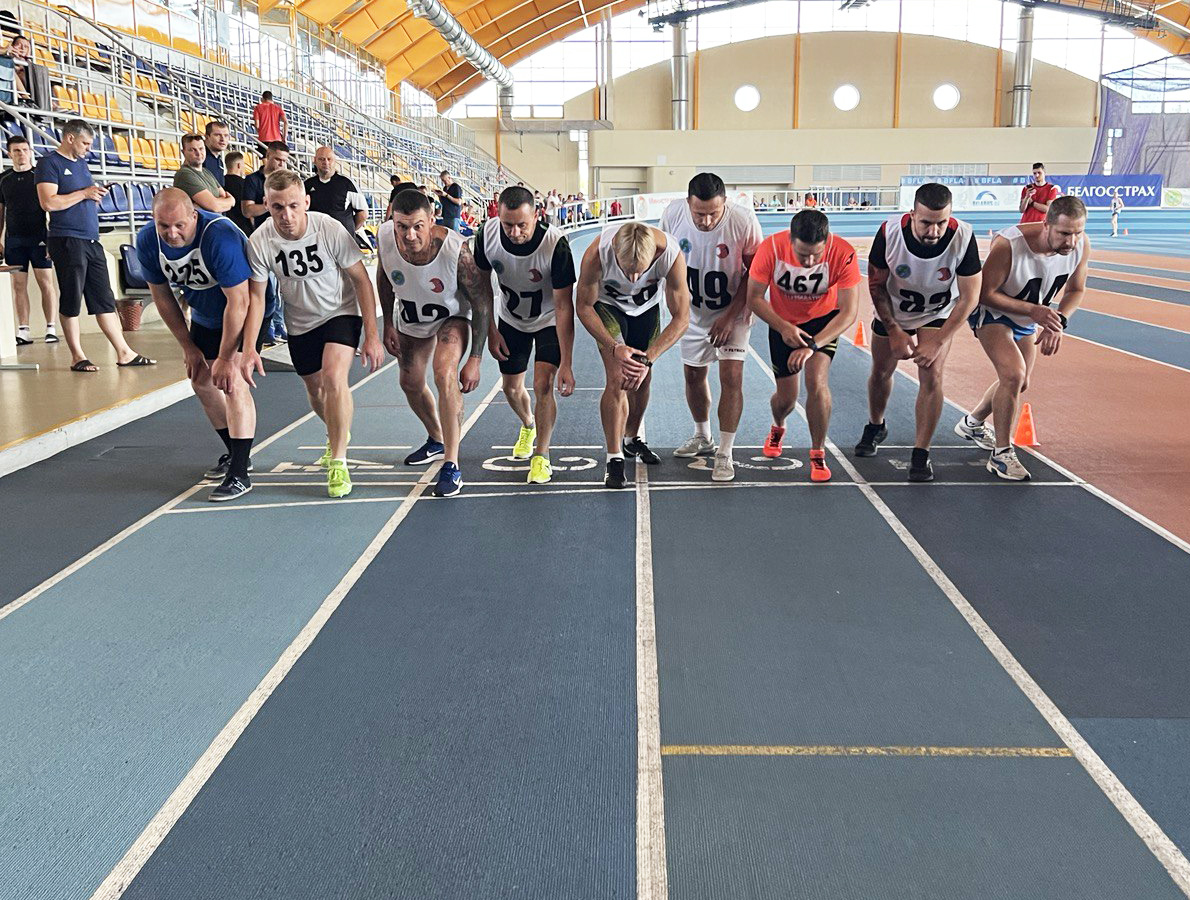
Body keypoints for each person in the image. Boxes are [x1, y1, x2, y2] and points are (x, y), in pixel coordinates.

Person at [243, 169, 385, 498]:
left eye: (293, 206)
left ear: (306, 202)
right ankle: (337, 431)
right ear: (266, 204)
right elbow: (256, 299)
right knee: (315, 390)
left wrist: (372, 335)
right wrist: (250, 347)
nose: (287, 215)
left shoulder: (329, 228)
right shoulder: (260, 241)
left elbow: (361, 280)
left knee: (334, 379)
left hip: (339, 311)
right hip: (300, 322)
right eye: (278, 207)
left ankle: (338, 460)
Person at [137, 189, 269, 501]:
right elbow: (162, 297)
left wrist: (226, 357)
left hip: (248, 310)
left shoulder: (219, 237)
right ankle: (235, 453)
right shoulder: (148, 241)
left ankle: (240, 473)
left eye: (179, 225)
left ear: (194, 216)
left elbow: (240, 302)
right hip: (206, 313)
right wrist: (188, 347)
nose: (172, 234)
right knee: (201, 381)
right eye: (163, 226)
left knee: (232, 381)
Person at [856, 182, 983, 482]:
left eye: (941, 223)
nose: (933, 231)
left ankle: (921, 452)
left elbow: (970, 297)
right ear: (912, 214)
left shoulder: (963, 236)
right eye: (926, 223)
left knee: (933, 374)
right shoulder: (889, 233)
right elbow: (876, 285)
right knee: (881, 372)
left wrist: (939, 341)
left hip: (936, 313)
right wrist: (894, 330)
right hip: (894, 309)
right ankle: (876, 425)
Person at [958, 196, 1089, 481]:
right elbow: (985, 293)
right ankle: (1002, 454)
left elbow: (1076, 290)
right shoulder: (1009, 245)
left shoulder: (1080, 245)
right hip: (993, 314)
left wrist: (1059, 321)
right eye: (1064, 233)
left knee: (1021, 382)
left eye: (1077, 233)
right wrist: (1034, 311)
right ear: (1046, 225)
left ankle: (973, 422)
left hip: (1029, 318)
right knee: (1013, 375)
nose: (1071, 241)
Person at [377, 188, 494, 497]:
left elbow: (481, 302)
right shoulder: (385, 238)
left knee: (444, 374)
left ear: (431, 220)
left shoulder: (456, 250)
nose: (410, 235)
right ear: (392, 222)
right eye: (402, 226)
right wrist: (387, 322)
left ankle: (451, 464)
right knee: (410, 382)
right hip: (412, 316)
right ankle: (436, 438)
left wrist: (476, 358)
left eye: (418, 226)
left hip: (450, 317)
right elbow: (384, 278)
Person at [660, 172, 763, 482]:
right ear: (688, 203)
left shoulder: (743, 221)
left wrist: (729, 317)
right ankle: (703, 435)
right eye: (699, 214)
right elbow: (665, 260)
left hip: (733, 310)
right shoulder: (673, 214)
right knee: (693, 375)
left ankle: (725, 452)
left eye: (713, 214)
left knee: (731, 376)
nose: (706, 221)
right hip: (691, 311)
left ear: (725, 204)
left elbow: (755, 273)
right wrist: (675, 308)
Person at [746, 209, 859, 482]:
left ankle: (818, 452)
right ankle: (778, 426)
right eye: (802, 255)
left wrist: (813, 345)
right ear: (790, 240)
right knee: (786, 399)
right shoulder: (771, 248)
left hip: (823, 323)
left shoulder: (843, 253)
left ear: (827, 242)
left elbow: (848, 312)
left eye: (816, 255)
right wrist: (784, 328)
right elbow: (754, 298)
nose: (809, 262)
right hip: (783, 322)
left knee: (817, 382)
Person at [576, 221, 690, 489]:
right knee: (618, 377)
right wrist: (613, 346)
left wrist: (648, 358)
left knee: (642, 377)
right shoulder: (597, 254)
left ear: (654, 257)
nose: (633, 279)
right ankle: (614, 457)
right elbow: (583, 307)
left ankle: (631, 438)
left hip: (646, 310)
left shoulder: (671, 254)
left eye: (641, 272)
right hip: (608, 308)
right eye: (627, 271)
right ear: (615, 250)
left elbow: (682, 318)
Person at [475, 185, 577, 484]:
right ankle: (528, 424)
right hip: (510, 319)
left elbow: (564, 305)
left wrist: (567, 362)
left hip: (547, 319)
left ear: (536, 216)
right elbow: (481, 288)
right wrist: (491, 330)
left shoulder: (555, 245)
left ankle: (542, 456)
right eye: (508, 224)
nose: (514, 232)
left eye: (522, 224)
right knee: (510, 388)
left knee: (542, 384)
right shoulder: (486, 236)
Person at [35, 119, 154, 371]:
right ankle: (77, 356)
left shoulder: (81, 163)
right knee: (71, 299)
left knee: (104, 299)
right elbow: (49, 203)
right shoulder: (49, 163)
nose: (88, 149)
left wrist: (93, 197)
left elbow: (78, 197)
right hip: (67, 239)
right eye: (85, 143)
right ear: (70, 138)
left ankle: (124, 352)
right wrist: (84, 194)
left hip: (91, 239)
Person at [0, 135, 58, 345]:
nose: (21, 154)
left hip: (39, 238)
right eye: (17, 151)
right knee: (18, 285)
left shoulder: (39, 177)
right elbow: (0, 212)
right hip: (14, 240)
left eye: (25, 150)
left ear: (31, 152)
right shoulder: (3, 179)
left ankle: (51, 327)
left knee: (46, 283)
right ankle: (23, 330)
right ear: (9, 154)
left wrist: (52, 239)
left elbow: (51, 208)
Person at [241, 141, 289, 343]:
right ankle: (267, 326)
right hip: (263, 241)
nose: (281, 164)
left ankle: (280, 324)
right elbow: (247, 210)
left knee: (282, 289)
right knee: (266, 289)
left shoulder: (287, 180)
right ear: (267, 156)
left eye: (284, 161)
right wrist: (269, 206)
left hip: (285, 240)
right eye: (277, 159)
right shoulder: (253, 180)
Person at [305, 146, 368, 238]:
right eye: (321, 159)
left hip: (344, 241)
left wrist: (349, 230)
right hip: (318, 240)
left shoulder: (347, 183)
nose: (325, 162)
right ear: (314, 160)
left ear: (335, 161)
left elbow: (363, 214)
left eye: (329, 159)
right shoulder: (307, 185)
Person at [173, 134, 235, 215]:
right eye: (192, 150)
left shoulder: (206, 172)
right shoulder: (184, 175)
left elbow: (224, 196)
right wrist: (228, 201)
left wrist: (229, 201)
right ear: (183, 152)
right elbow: (214, 206)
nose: (198, 153)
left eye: (201, 149)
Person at [222, 151, 252, 235]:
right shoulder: (246, 184)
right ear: (239, 165)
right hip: (244, 228)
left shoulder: (220, 183)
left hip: (226, 226)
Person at [201, 120, 230, 188]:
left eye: (226, 135)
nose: (222, 139)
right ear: (207, 137)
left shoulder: (219, 161)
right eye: (217, 135)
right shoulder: (200, 158)